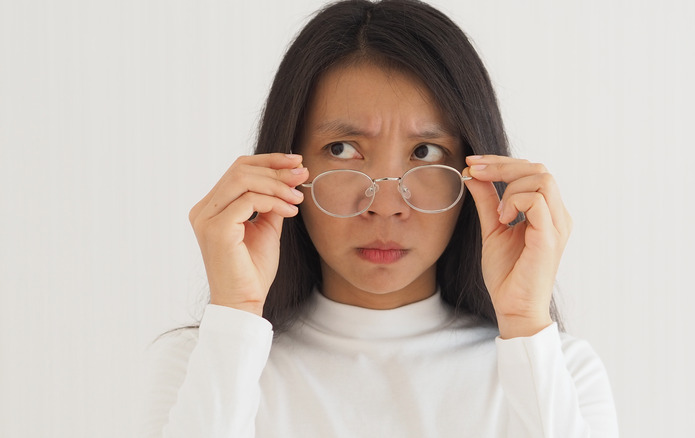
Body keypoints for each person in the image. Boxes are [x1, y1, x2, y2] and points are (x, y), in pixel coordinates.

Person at [142, 0, 619, 436]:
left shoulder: (560, 371)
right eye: (343, 150)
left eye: (426, 152)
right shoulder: (204, 364)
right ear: (287, 164)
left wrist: (523, 322)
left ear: (475, 169)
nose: (386, 204)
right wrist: (237, 310)